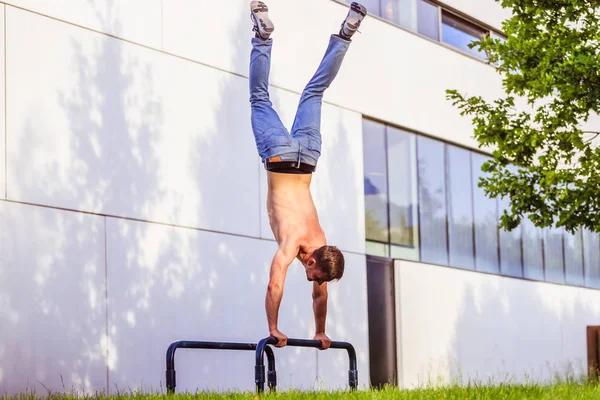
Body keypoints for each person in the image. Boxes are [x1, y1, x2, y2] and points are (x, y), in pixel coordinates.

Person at [249, 1, 367, 349]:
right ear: (314, 260)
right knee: (258, 98)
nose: (312, 280)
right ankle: (262, 36)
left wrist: (320, 330)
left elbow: (320, 297)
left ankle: (346, 32)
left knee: (314, 91)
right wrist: (274, 327)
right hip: (280, 157)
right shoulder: (298, 242)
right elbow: (275, 284)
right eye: (314, 275)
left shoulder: (323, 242)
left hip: (308, 157)